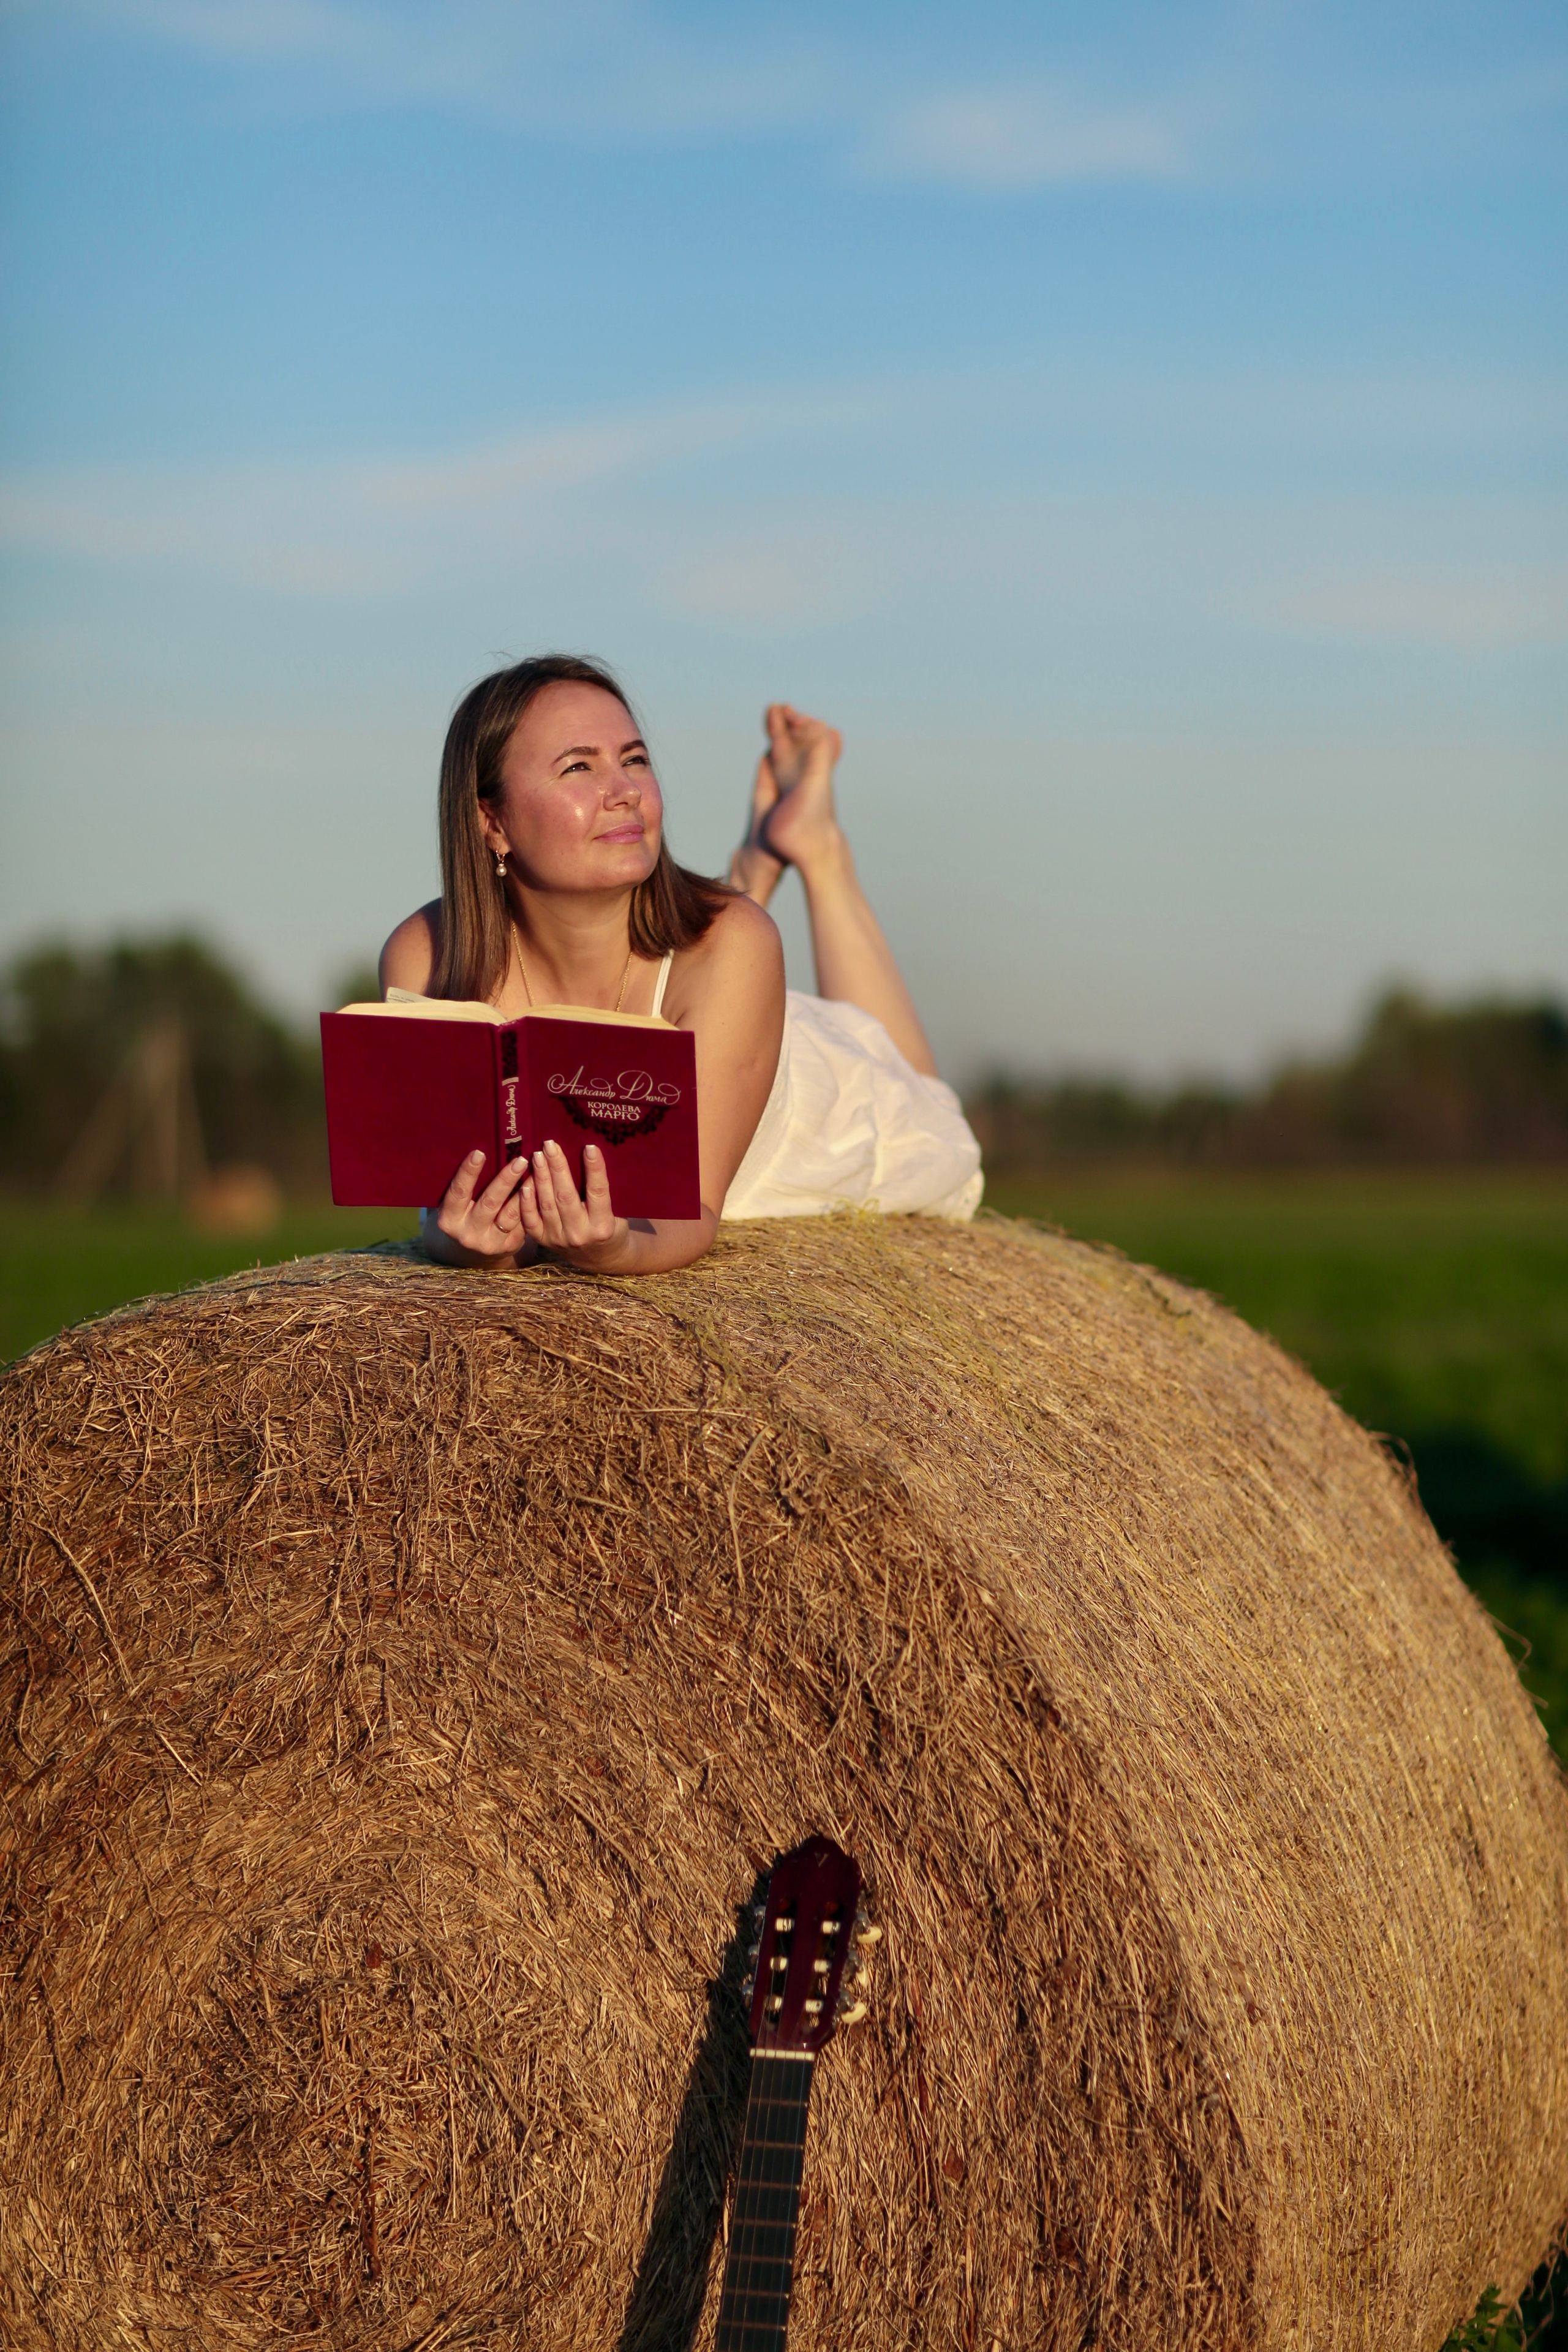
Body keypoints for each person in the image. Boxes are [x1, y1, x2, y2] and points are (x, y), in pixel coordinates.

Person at [380, 654, 981, 1275]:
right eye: (579, 767)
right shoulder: (426, 956)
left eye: (634, 759)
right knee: (731, 933)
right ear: (491, 821)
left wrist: (612, 1249)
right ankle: (748, 876)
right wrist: (474, 1246)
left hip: (800, 1105)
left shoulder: (738, 946)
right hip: (717, 997)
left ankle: (819, 851)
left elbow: (689, 1207)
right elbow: (445, 1203)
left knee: (937, 1124)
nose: (626, 792)